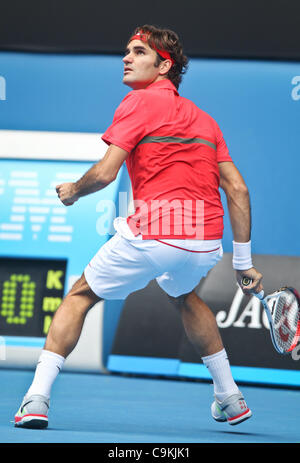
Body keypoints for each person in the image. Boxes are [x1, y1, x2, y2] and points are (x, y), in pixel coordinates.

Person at [14, 24, 263, 429]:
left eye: (138, 52)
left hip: (155, 230)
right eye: (126, 52)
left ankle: (36, 399)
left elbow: (107, 173)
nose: (126, 58)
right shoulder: (206, 121)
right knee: (183, 295)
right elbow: (238, 188)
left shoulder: (138, 103)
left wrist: (74, 191)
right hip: (203, 241)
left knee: (79, 295)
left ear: (164, 66)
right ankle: (229, 397)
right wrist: (243, 263)